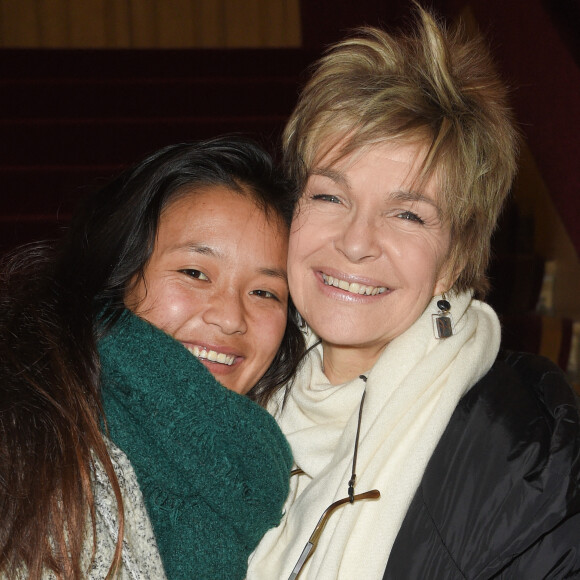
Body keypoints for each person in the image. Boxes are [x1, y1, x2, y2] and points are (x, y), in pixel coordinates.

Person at [247, 5, 580, 579]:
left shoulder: (525, 458)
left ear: (456, 257)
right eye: (330, 196)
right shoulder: (233, 382)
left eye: (406, 214)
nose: (356, 243)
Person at [0, 137, 304, 579]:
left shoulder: (260, 466)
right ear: (120, 273)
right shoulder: (29, 434)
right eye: (195, 273)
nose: (231, 317)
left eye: (264, 292)